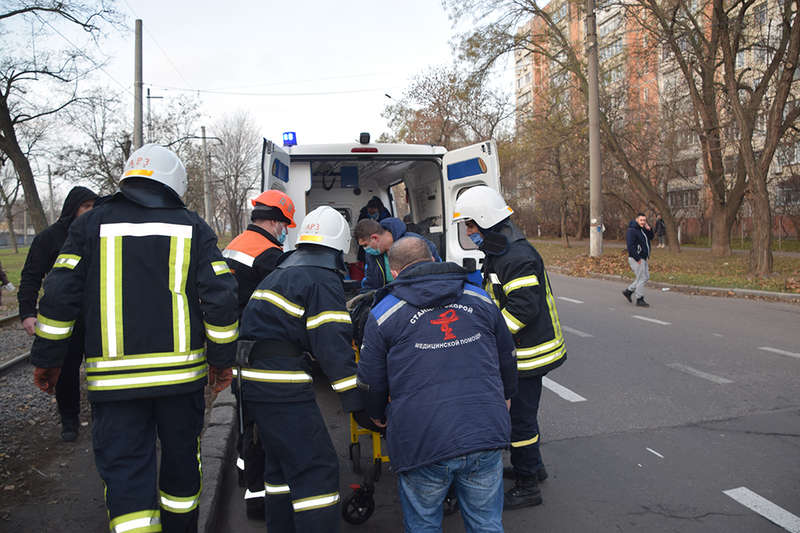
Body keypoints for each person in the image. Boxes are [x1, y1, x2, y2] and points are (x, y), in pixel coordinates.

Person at [29, 144, 239, 532]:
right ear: (175, 183)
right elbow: (221, 297)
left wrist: (48, 358)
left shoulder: (90, 225)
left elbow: (58, 295)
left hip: (115, 386)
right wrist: (222, 361)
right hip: (180, 383)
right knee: (181, 472)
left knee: (126, 476)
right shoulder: (193, 226)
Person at [358, 236, 518, 532]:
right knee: (486, 523)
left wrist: (376, 413)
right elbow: (507, 355)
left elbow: (371, 378)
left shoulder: (383, 313)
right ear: (433, 260)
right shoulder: (479, 298)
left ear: (394, 272)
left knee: (423, 524)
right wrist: (507, 395)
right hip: (484, 429)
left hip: (422, 438)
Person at [239, 205, 370, 533]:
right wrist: (357, 403)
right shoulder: (321, 278)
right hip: (280, 384)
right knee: (317, 470)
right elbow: (333, 347)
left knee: (281, 468)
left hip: (253, 379)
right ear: (339, 248)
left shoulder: (283, 271)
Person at [453, 185, 566, 510]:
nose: (469, 232)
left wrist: (491, 338)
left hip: (530, 353)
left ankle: (528, 483)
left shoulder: (516, 256)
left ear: (486, 221)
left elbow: (523, 308)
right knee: (523, 416)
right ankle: (532, 467)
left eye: (471, 225)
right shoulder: (501, 250)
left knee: (520, 421)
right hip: (523, 350)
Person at [223, 189, 296, 519]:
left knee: (245, 415)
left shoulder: (238, 243)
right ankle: (257, 498)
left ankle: (242, 472)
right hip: (254, 345)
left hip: (234, 341)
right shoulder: (267, 253)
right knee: (258, 424)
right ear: (274, 221)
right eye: (284, 225)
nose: (285, 231)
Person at [18, 185, 97, 441]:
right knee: (66, 372)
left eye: (93, 207)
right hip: (64, 319)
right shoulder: (49, 239)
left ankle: (102, 417)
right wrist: (27, 312)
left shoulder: (99, 235)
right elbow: (31, 276)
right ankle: (69, 420)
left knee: (100, 371)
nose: (90, 212)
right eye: (86, 206)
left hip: (96, 316)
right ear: (72, 209)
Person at [354, 217, 441, 291]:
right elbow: (370, 282)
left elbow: (437, 272)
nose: (365, 249)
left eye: (365, 245)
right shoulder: (372, 256)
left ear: (375, 238)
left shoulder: (417, 243)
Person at [623, 213, 655, 307]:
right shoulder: (632, 230)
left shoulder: (643, 229)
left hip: (643, 257)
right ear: (637, 220)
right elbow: (630, 246)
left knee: (645, 277)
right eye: (641, 220)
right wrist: (637, 258)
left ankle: (628, 291)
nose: (643, 222)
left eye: (644, 220)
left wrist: (649, 229)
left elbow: (651, 237)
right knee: (642, 278)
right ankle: (639, 299)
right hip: (636, 258)